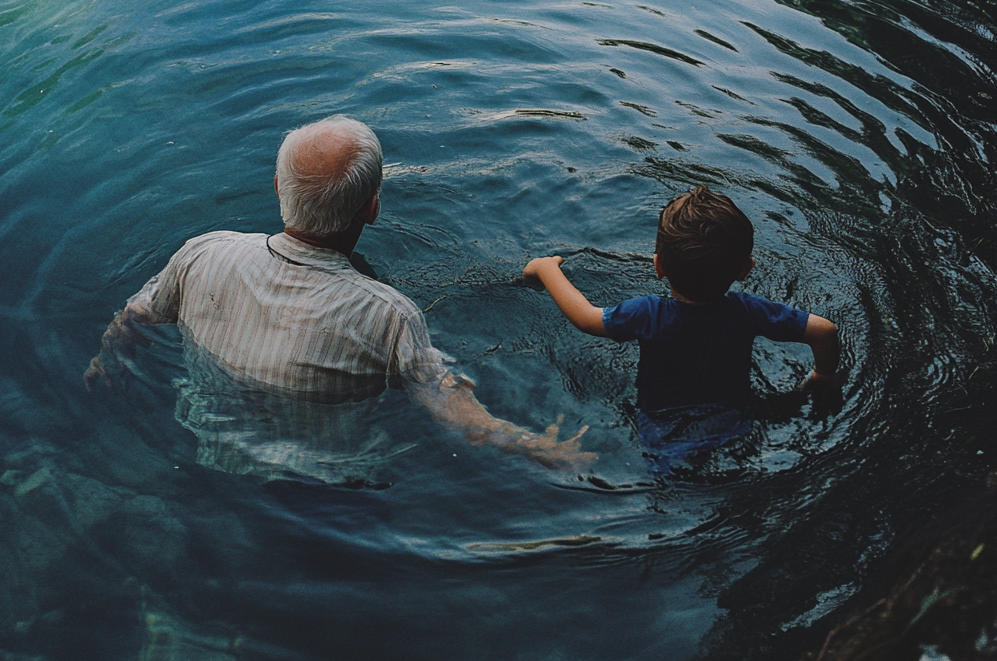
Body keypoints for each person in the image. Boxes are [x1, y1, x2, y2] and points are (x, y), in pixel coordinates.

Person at [86, 116, 594, 472]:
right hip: (325, 480)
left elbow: (133, 318)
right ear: (371, 209)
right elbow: (454, 414)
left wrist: (104, 363)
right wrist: (542, 449)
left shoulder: (203, 252)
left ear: (277, 188)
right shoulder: (388, 315)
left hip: (207, 441)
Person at [522, 186, 840, 472]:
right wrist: (821, 376)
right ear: (746, 269)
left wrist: (546, 268)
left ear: (658, 266)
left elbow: (584, 317)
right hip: (735, 422)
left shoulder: (647, 313)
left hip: (660, 432)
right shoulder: (749, 310)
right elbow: (824, 330)